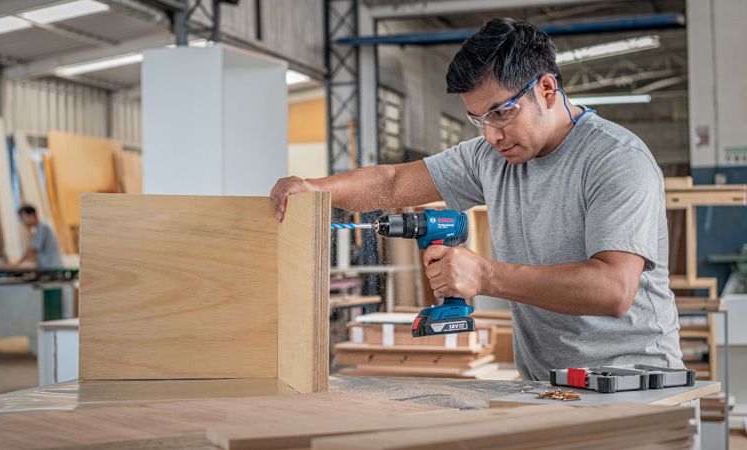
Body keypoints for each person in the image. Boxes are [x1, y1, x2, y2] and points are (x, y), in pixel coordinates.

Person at [270, 18, 682, 381]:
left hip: (635, 385)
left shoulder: (616, 159)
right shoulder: (491, 157)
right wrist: (316, 190)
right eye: (478, 119)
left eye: (502, 112)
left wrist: (485, 277)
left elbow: (613, 289)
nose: (491, 135)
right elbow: (394, 182)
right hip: (548, 387)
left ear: (547, 89)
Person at [16, 204, 63, 269]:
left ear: (32, 215)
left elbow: (33, 248)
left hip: (52, 268)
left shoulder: (43, 227)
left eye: (23, 218)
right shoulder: (39, 228)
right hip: (49, 268)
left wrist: (18, 263)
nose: (22, 221)